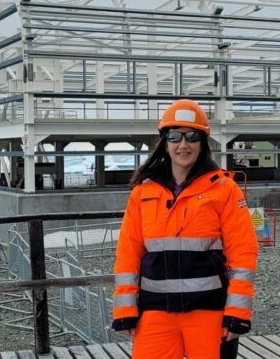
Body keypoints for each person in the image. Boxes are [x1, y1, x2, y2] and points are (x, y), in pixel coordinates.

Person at [111, 99, 258, 359]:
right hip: (155, 313)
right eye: (175, 136)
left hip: (208, 311)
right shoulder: (142, 193)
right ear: (164, 143)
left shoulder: (224, 189)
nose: (183, 144)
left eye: (192, 136)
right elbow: (128, 254)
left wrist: (237, 312)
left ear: (202, 143)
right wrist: (125, 309)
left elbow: (243, 253)